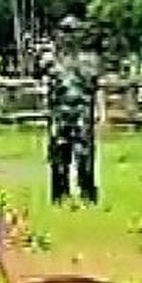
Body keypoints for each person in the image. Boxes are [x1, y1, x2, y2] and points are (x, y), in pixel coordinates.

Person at [43, 15, 100, 205]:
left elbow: (92, 85)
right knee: (59, 158)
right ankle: (59, 195)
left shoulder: (89, 60)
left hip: (81, 115)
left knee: (84, 157)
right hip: (60, 115)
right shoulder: (51, 60)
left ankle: (88, 195)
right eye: (65, 31)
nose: (68, 36)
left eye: (72, 32)